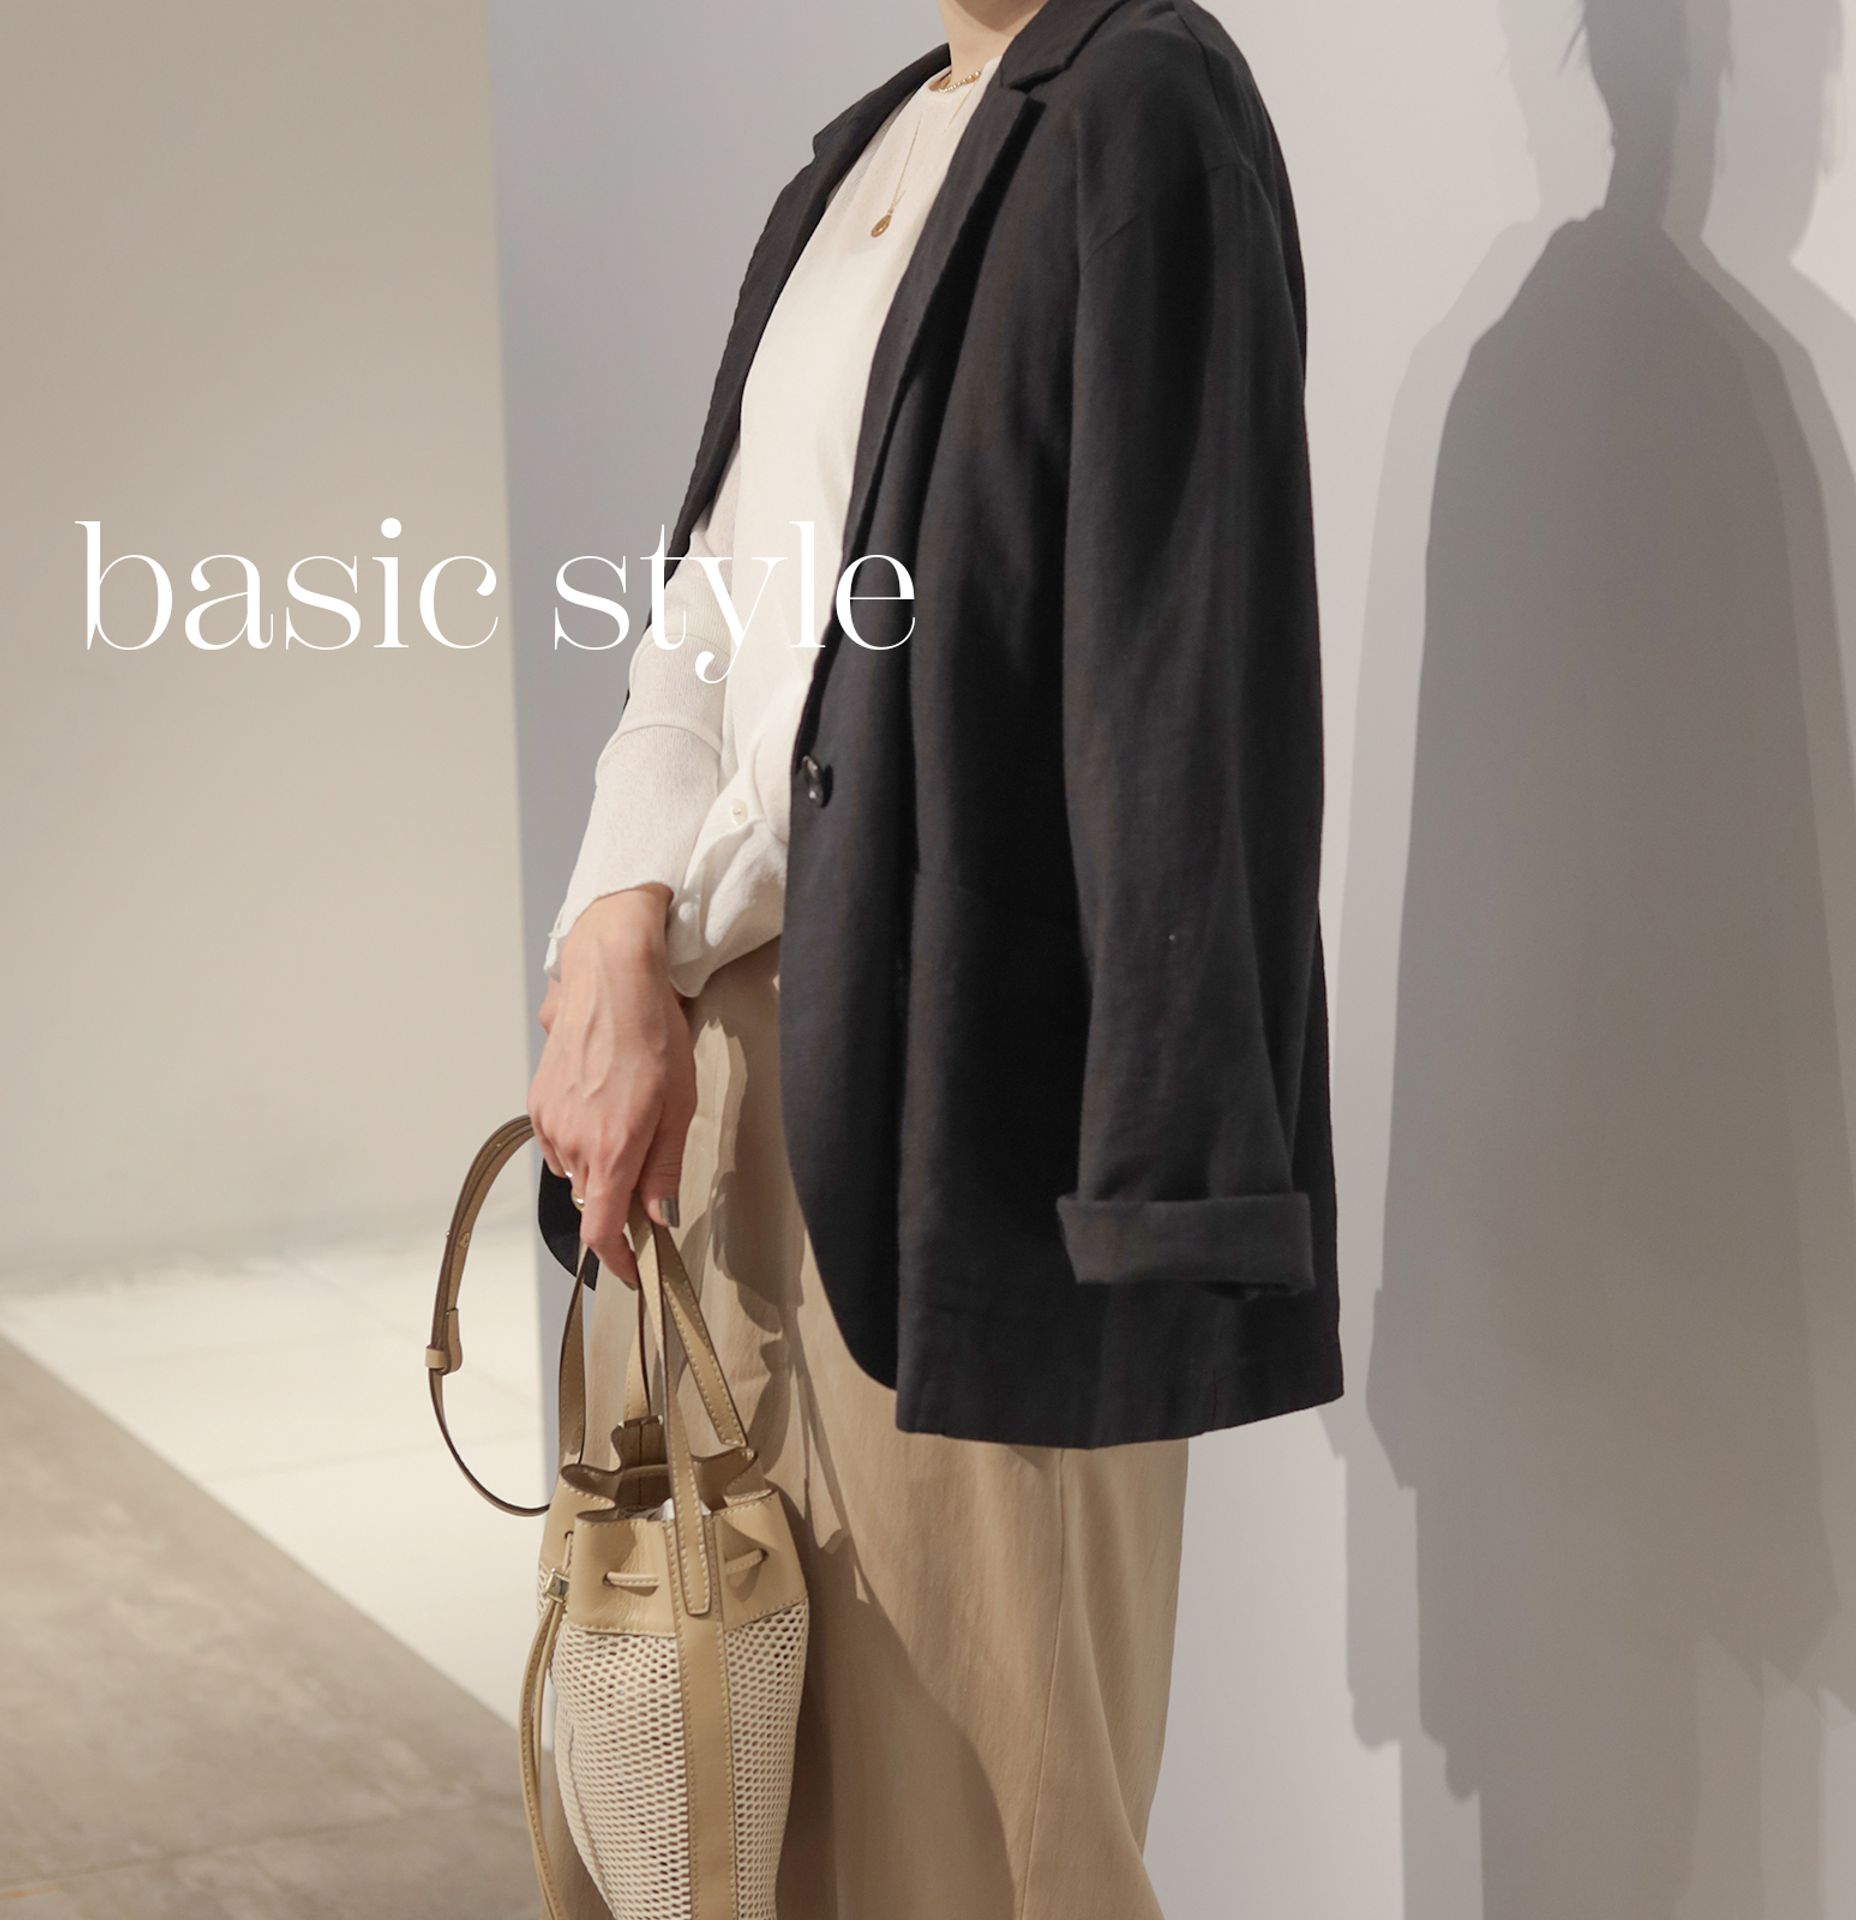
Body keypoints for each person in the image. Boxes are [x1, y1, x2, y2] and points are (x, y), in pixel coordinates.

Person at [528, 1, 1338, 1912]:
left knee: (972, 1846)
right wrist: (613, 937)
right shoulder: (863, 151)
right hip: (717, 1106)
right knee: (706, 1827)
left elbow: (1185, 667)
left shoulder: (1146, 109)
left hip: (962, 1133)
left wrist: (1161, 1205)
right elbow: (707, 615)